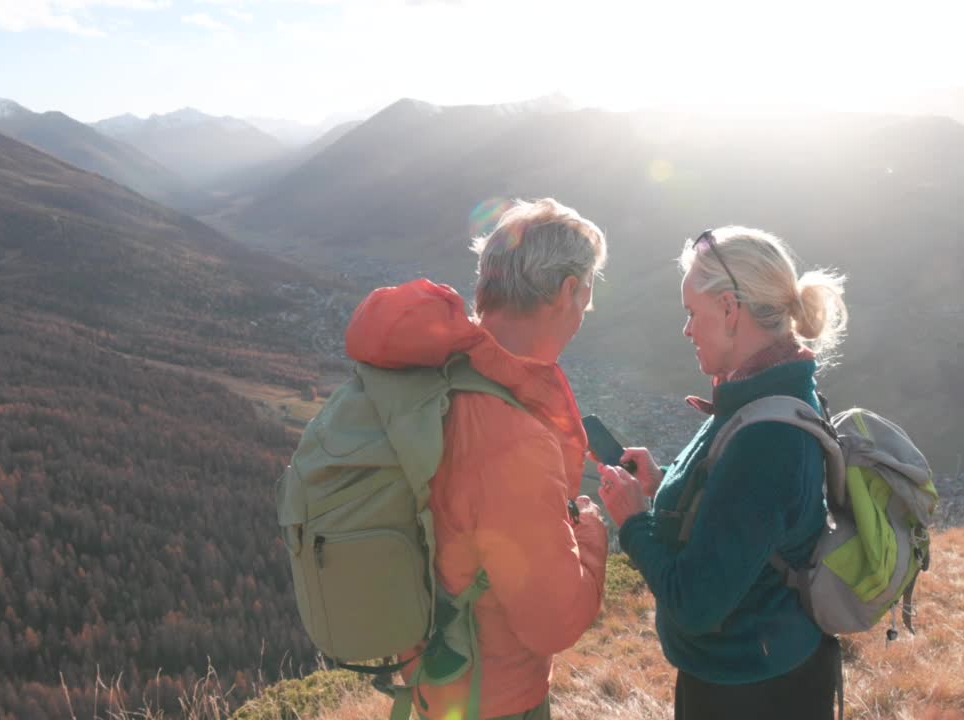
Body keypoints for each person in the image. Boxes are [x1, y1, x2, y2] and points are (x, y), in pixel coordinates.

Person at [345, 198, 610, 720]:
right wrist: (594, 532)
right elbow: (553, 622)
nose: (587, 309)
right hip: (495, 698)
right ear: (567, 292)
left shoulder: (438, 374)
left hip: (431, 674)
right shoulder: (511, 435)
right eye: (588, 292)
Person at [597, 226, 849, 719]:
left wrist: (633, 522)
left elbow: (694, 605)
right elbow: (744, 514)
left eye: (693, 313)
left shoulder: (767, 436)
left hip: (753, 692)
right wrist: (664, 479)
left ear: (731, 310)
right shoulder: (766, 389)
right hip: (759, 666)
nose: (687, 329)